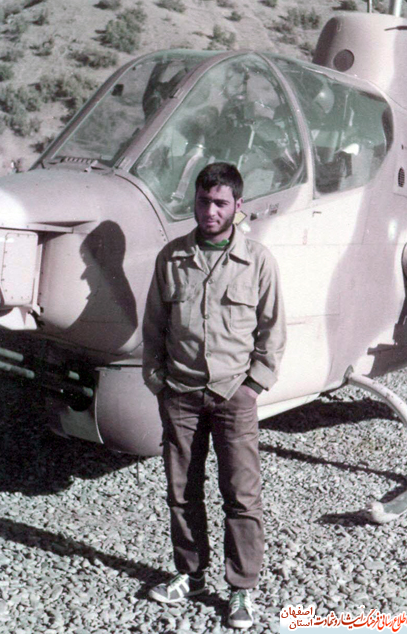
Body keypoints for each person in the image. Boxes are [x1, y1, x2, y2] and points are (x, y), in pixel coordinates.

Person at [142, 162, 286, 630]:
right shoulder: (171, 258)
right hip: (180, 393)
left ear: (238, 206)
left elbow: (272, 331)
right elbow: (154, 327)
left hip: (233, 395)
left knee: (241, 494)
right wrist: (158, 381)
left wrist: (253, 386)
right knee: (182, 491)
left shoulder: (258, 260)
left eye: (220, 203)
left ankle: (241, 588)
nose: (210, 211)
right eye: (204, 201)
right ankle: (191, 575)